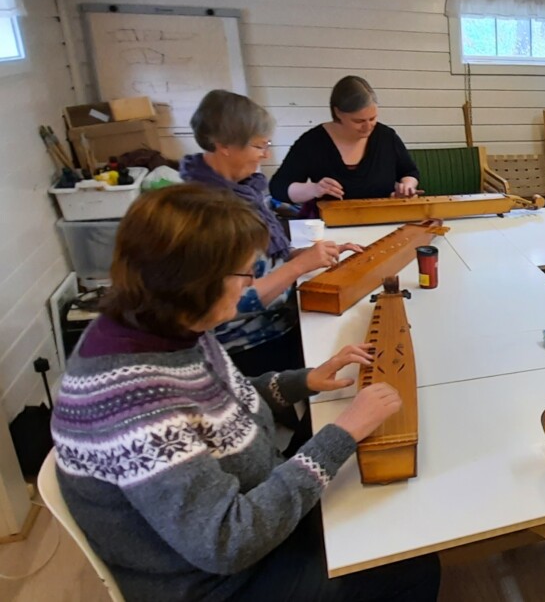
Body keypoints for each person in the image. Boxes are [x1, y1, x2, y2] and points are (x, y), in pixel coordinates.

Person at [50, 184, 440, 602]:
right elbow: (226, 542)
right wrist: (342, 433)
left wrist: (304, 381)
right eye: (243, 273)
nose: (252, 283)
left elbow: (220, 403)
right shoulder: (134, 410)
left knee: (375, 488)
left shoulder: (163, 324)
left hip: (251, 504)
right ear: (196, 284)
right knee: (411, 565)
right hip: (221, 582)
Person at [180, 89, 361, 378]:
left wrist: (303, 255)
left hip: (281, 320)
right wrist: (298, 267)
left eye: (267, 144)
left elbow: (264, 259)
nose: (266, 154)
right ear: (224, 145)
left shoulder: (245, 189)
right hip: (249, 346)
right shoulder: (203, 212)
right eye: (259, 146)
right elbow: (222, 305)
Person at [270, 75, 421, 216]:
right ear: (338, 113)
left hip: (383, 218)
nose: (368, 126)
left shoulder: (386, 136)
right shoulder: (312, 142)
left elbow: (409, 171)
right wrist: (314, 189)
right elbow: (278, 187)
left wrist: (407, 186)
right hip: (332, 224)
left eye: (372, 118)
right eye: (358, 121)